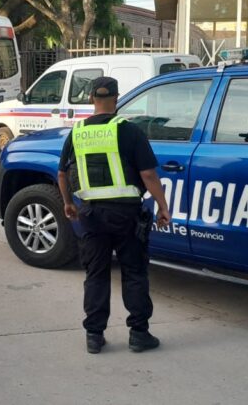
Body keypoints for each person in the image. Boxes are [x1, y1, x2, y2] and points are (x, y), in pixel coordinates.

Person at [57, 76, 171, 354]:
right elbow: (148, 174)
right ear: (116, 99)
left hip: (91, 215)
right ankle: (139, 334)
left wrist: (68, 203)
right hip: (126, 215)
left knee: (96, 274)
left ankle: (94, 336)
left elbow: (62, 173)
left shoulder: (77, 132)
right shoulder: (129, 130)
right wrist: (163, 206)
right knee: (134, 272)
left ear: (91, 99)